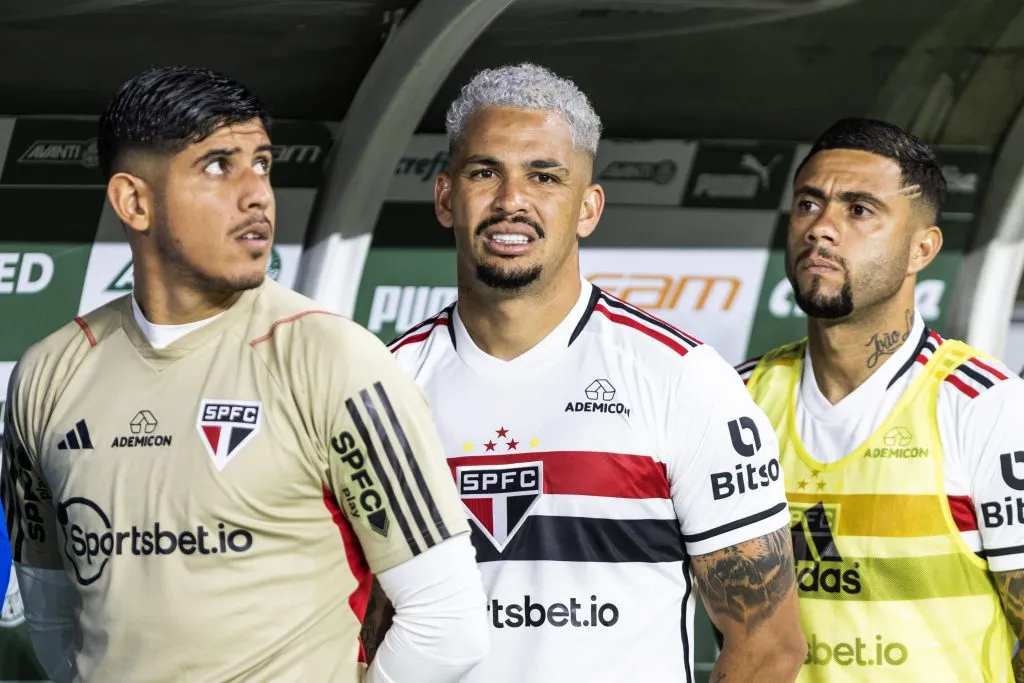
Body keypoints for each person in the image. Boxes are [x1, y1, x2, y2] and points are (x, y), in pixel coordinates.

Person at [0, 65, 488, 683]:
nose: (257, 193)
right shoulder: (48, 375)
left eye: (261, 163)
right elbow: (50, 618)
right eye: (217, 166)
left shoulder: (333, 359)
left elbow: (448, 624)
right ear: (134, 201)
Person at [368, 62, 807, 682]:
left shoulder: (680, 377)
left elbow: (768, 647)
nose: (511, 200)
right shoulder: (383, 386)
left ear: (588, 208)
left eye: (544, 177)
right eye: (484, 172)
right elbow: (366, 628)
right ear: (445, 198)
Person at [737, 117, 1024, 681]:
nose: (822, 228)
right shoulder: (734, 400)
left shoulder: (988, 408)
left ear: (923, 248)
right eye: (808, 204)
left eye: (859, 210)